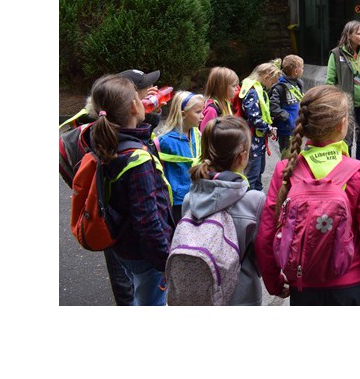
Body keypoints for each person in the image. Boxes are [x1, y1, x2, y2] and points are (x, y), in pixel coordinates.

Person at [254, 85, 360, 305]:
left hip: (303, 286)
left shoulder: (285, 170)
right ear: (342, 124)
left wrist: (274, 283)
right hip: (349, 284)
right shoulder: (358, 172)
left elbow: (266, 236)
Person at [87, 74, 174, 306]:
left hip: (124, 245)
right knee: (151, 303)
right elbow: (147, 221)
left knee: (139, 290)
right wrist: (165, 261)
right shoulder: (137, 160)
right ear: (135, 106)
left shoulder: (107, 141)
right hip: (146, 254)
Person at [183, 116, 266, 305]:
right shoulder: (254, 201)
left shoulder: (189, 200)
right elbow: (261, 255)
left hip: (202, 291)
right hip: (242, 293)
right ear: (242, 157)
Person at [326, 21, 360, 163]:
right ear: (348, 35)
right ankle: (347, 169)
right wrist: (335, 101)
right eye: (358, 33)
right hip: (346, 105)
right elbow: (330, 81)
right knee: (346, 141)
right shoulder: (336, 54)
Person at [154, 91, 204, 224]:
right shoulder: (166, 141)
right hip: (178, 201)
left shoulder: (196, 133)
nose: (202, 116)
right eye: (198, 112)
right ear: (183, 114)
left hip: (196, 194)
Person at [239, 62, 281, 191]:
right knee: (252, 174)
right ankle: (251, 198)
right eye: (272, 82)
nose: (272, 85)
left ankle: (258, 197)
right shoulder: (253, 92)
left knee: (258, 172)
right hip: (253, 141)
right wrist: (269, 128)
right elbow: (254, 117)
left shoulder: (257, 90)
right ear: (267, 77)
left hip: (258, 140)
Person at [270, 54, 305, 157]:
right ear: (296, 71)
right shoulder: (280, 87)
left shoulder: (298, 84)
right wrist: (288, 118)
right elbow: (273, 107)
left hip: (297, 127)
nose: (303, 70)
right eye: (302, 68)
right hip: (286, 130)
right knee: (287, 156)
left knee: (297, 154)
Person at [200, 66, 239, 133]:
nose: (237, 89)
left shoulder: (226, 103)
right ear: (221, 87)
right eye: (234, 86)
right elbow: (205, 134)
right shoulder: (212, 110)